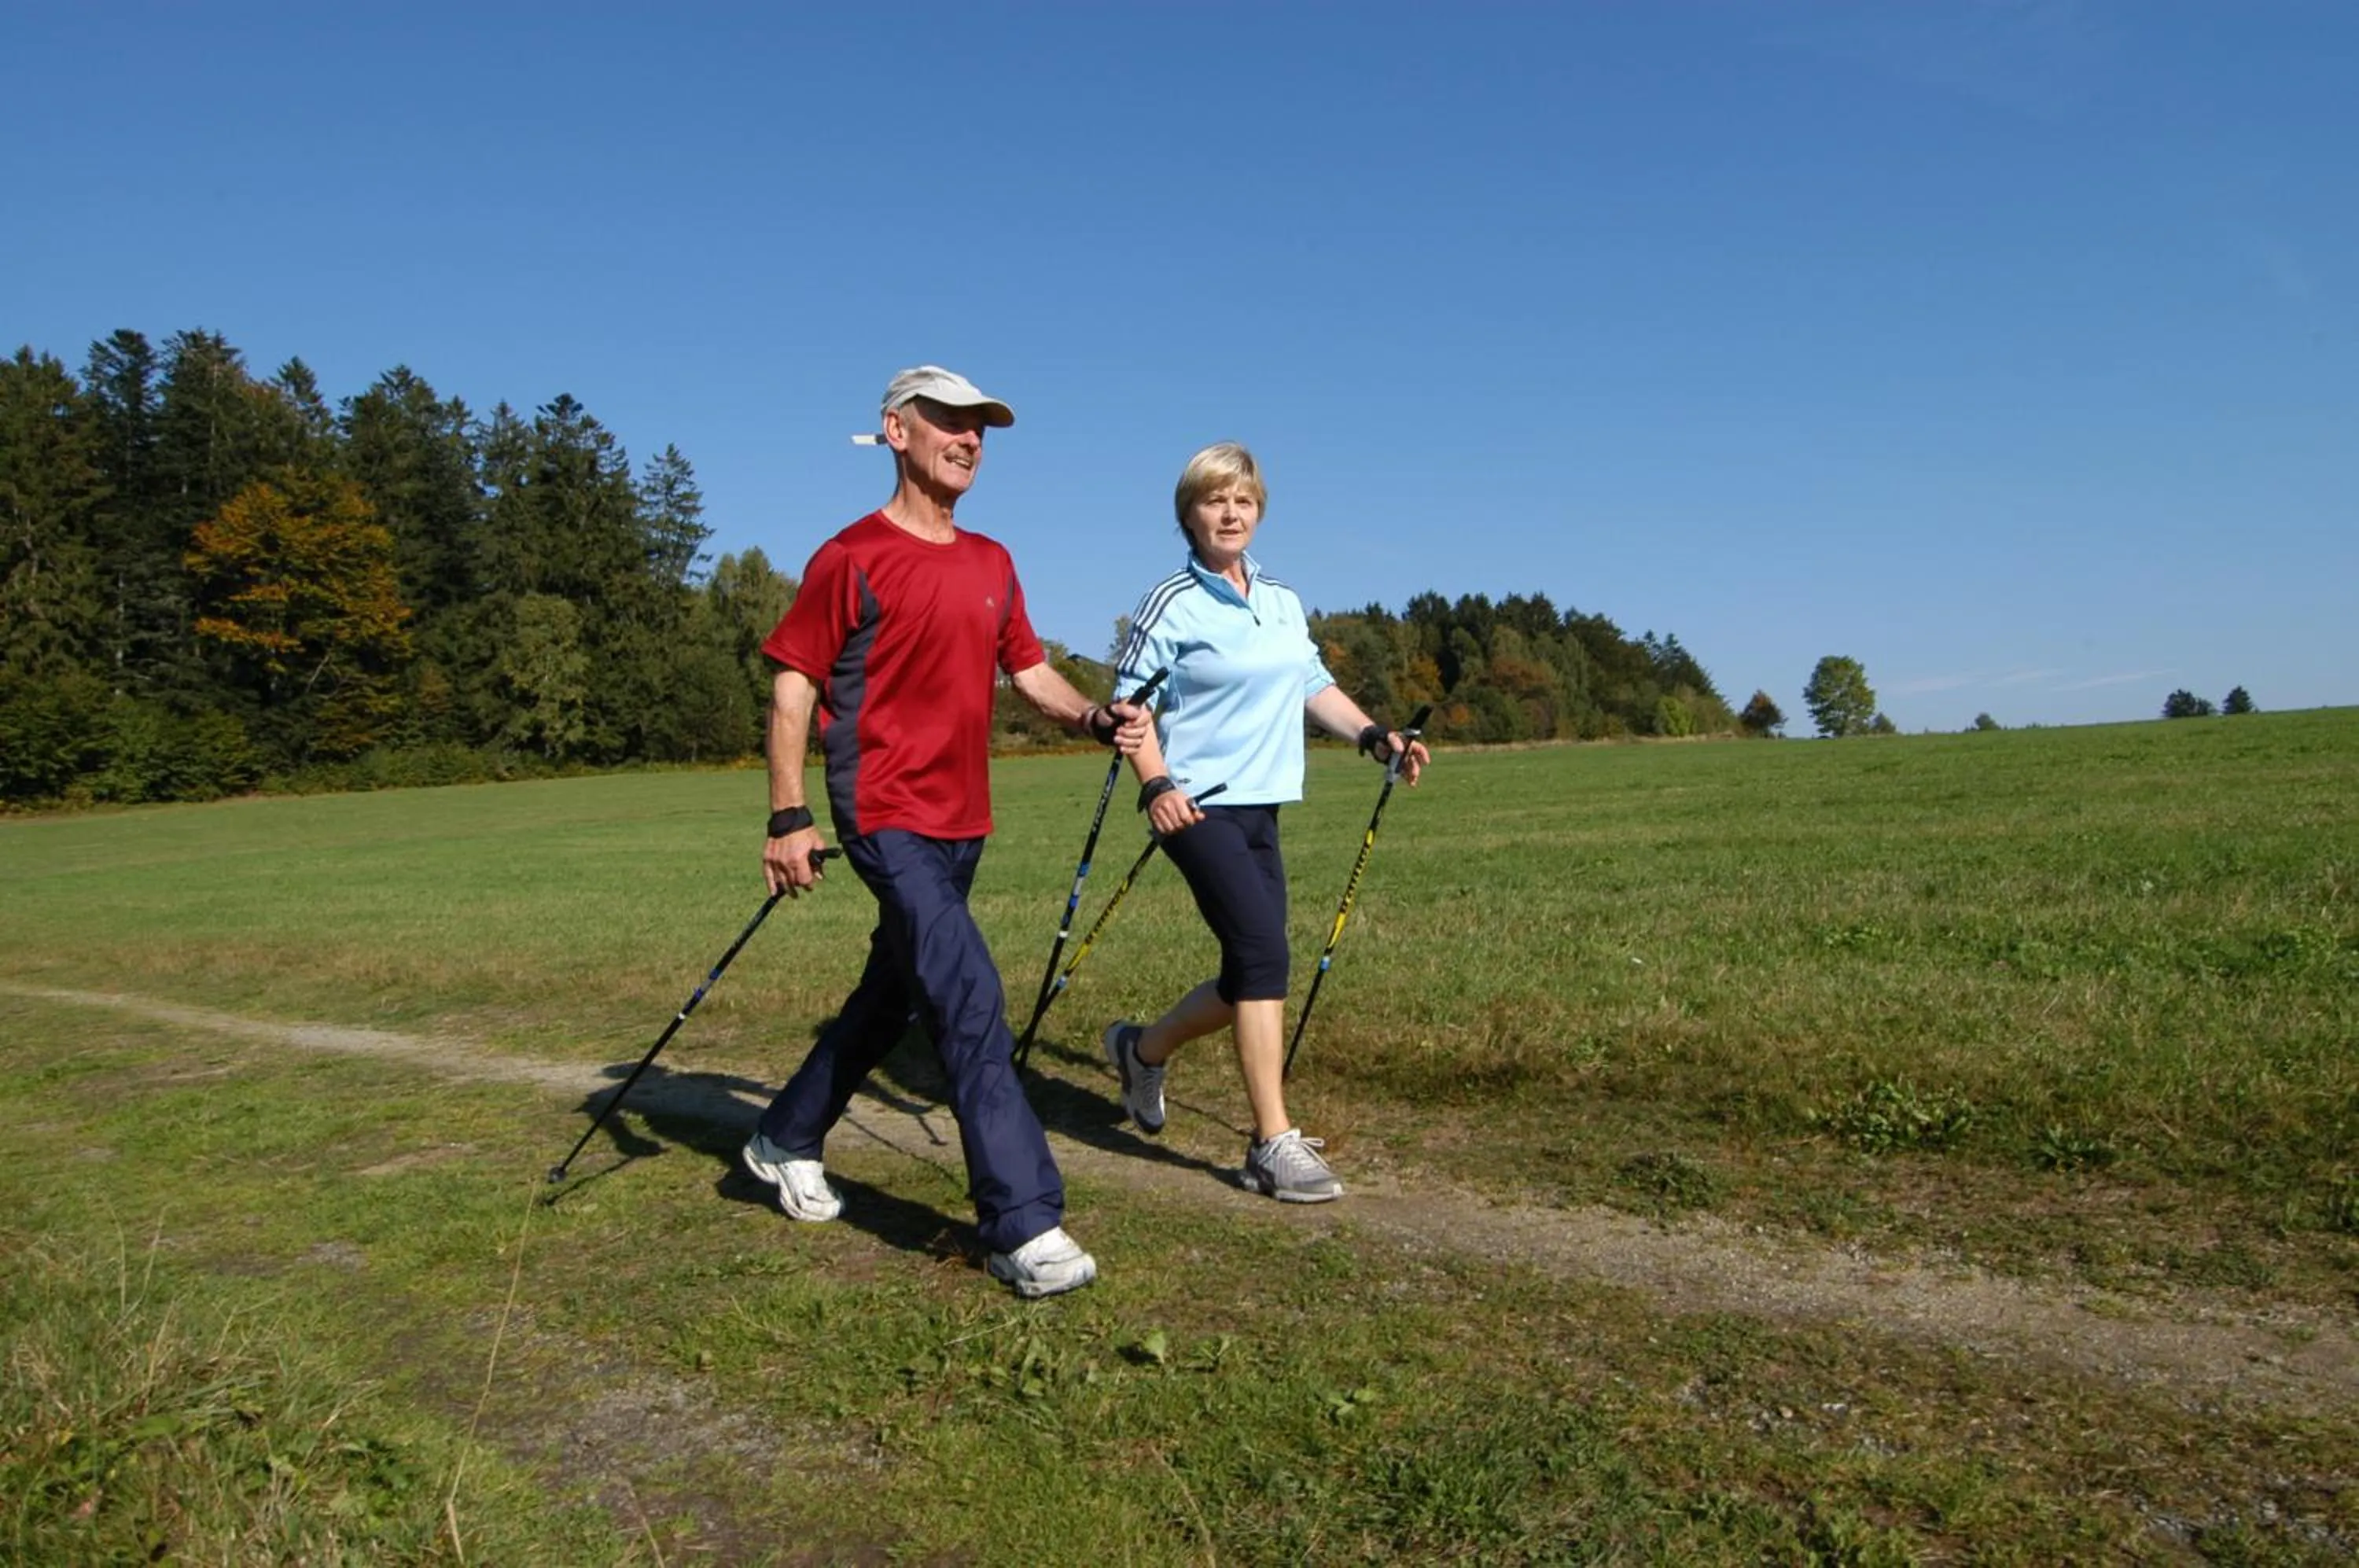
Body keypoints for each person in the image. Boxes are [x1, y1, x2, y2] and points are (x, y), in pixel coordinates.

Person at [744, 365, 1148, 1298]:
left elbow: (1031, 670)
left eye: (981, 428)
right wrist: (789, 814)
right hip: (884, 811)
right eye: (950, 422)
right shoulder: (850, 556)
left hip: (966, 820)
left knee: (891, 997)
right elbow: (793, 684)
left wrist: (1094, 719)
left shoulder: (993, 561)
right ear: (896, 430)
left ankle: (783, 1136)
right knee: (968, 996)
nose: (969, 440)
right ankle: (1023, 1221)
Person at [1103, 441, 1428, 1202]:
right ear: (1189, 514)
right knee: (1261, 953)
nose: (1230, 512)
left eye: (1243, 500)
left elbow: (1314, 682)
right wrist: (1156, 783)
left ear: (1259, 511)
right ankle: (1270, 1141)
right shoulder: (1171, 602)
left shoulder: (1281, 599)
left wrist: (1378, 735)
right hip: (1194, 806)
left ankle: (1140, 1049)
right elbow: (1132, 707)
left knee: (1252, 970)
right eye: (1215, 499)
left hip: (1264, 804)